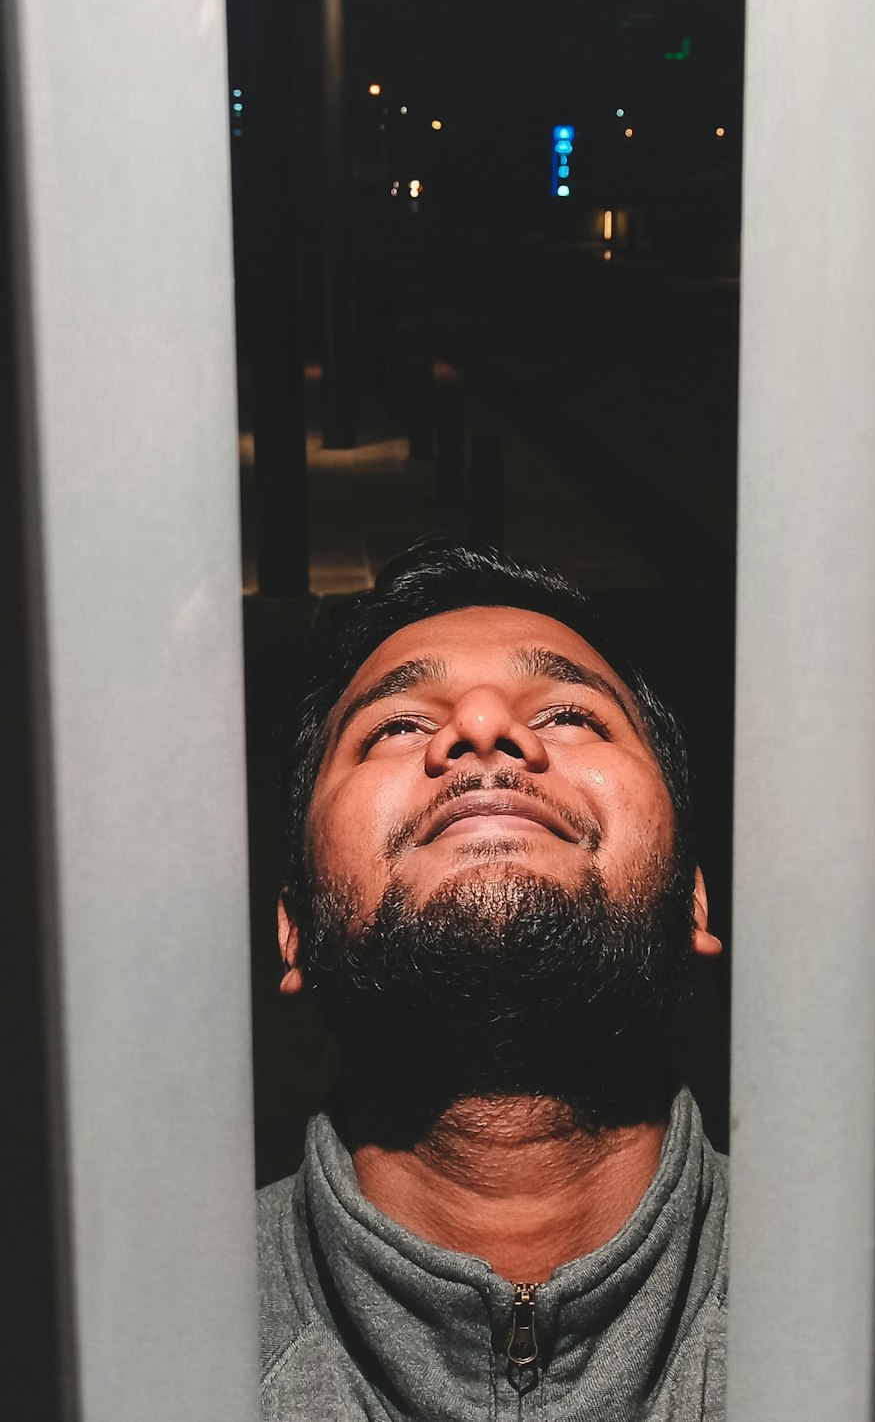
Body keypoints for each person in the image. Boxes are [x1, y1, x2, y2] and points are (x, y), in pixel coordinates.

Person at [258, 541, 727, 1421]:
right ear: (293, 929)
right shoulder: (122, 1346)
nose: (479, 725)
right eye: (394, 726)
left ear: (695, 900)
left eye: (571, 715)